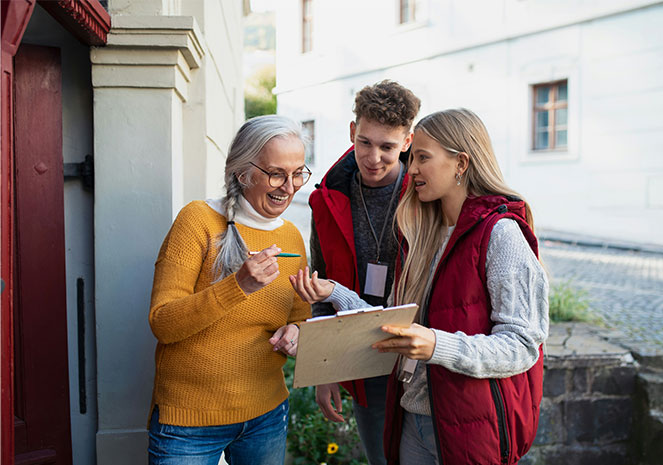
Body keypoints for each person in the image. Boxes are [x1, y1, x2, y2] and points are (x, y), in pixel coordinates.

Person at [291, 108, 549, 464]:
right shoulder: (421, 233)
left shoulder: (502, 235)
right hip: (412, 419)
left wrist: (434, 345)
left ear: (461, 163)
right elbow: (390, 323)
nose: (410, 170)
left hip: (469, 427)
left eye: (422, 158)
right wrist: (334, 292)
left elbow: (522, 345)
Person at [147, 114, 312, 465]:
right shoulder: (198, 221)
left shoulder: (292, 237)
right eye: (276, 173)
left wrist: (295, 332)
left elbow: (300, 315)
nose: (290, 186)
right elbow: (163, 323)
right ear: (243, 173)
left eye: (298, 172)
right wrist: (238, 286)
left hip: (266, 414)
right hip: (189, 422)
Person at [307, 80, 421, 465]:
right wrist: (326, 369)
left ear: (407, 141)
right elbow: (320, 288)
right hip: (363, 354)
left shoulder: (427, 195)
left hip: (424, 354)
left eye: (387, 147)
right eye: (365, 143)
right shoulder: (327, 200)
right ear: (352, 132)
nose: (374, 157)